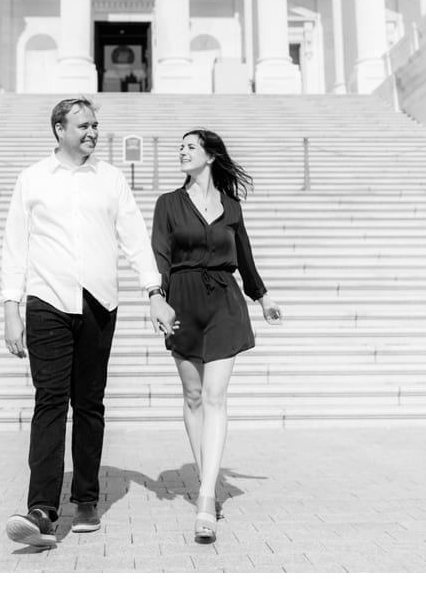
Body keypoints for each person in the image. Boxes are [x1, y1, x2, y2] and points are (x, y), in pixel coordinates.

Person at [1, 97, 178, 548]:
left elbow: (136, 239)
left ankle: (85, 498)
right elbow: (15, 247)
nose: (92, 132)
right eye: (83, 125)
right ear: (59, 129)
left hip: (99, 302)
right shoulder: (33, 179)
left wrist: (154, 293)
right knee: (50, 401)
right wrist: (11, 308)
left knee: (90, 403)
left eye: (95, 125)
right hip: (47, 301)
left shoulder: (111, 179)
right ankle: (41, 509)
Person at [152, 129, 282, 544]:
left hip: (226, 303)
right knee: (193, 396)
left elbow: (244, 256)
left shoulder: (231, 206)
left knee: (215, 396)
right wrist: (158, 298)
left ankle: (206, 495)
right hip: (184, 301)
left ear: (209, 156)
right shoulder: (168, 204)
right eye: (181, 147)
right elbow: (160, 254)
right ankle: (206, 473)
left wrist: (262, 298)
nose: (182, 151)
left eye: (190, 147)